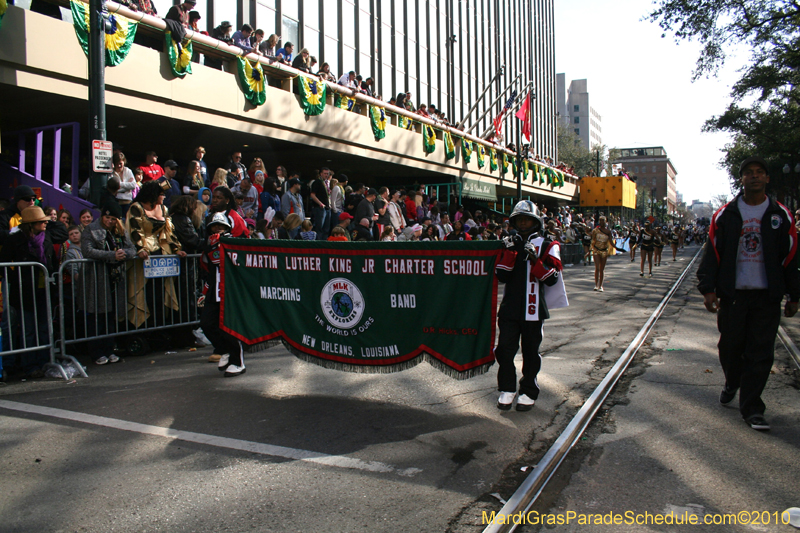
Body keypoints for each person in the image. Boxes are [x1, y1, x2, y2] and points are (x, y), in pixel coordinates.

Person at [697, 156, 799, 431]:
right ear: (741, 179)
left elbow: (790, 258)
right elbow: (712, 253)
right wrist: (708, 289)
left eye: (759, 173)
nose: (754, 176)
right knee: (729, 348)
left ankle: (752, 408)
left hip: (766, 296)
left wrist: (794, 295)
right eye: (749, 173)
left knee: (761, 353)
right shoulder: (725, 214)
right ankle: (732, 381)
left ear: (767, 178)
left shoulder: (781, 216)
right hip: (733, 294)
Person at [494, 200, 568, 411]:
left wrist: (535, 260)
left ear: (536, 222)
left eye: (528, 219)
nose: (524, 223)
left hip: (534, 309)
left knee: (531, 352)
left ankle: (528, 390)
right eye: (520, 220)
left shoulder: (548, 244)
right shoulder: (508, 242)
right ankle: (507, 388)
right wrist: (510, 252)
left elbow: (552, 278)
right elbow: (502, 276)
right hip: (510, 307)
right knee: (504, 351)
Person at [0, 206, 61, 378]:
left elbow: (61, 233)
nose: (45, 224)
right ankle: (30, 365)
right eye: (41, 221)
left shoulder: (47, 237)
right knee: (28, 330)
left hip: (44, 289)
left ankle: (44, 361)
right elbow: (3, 261)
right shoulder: (15, 240)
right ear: (31, 224)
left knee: (44, 328)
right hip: (24, 291)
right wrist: (16, 278)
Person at [80, 200, 136, 365]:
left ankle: (109, 349)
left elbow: (132, 249)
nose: (110, 221)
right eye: (108, 218)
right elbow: (88, 250)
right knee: (97, 316)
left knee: (110, 315)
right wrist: (112, 255)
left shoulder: (120, 230)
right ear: (102, 215)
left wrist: (123, 253)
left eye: (113, 219)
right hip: (96, 279)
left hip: (115, 279)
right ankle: (97, 352)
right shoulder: (91, 229)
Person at [125, 181, 187, 328]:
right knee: (144, 291)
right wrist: (140, 248)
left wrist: (176, 249)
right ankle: (143, 325)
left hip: (160, 253)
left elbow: (168, 231)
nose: (164, 196)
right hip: (143, 255)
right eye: (161, 194)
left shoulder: (164, 209)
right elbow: (134, 230)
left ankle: (160, 324)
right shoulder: (136, 208)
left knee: (159, 292)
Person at [199, 213, 247, 377]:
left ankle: (238, 362)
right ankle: (224, 350)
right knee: (206, 323)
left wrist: (220, 245)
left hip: (230, 292)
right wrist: (205, 291)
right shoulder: (208, 246)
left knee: (229, 328)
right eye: (214, 226)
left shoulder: (235, 243)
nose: (218, 228)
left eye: (221, 226)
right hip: (214, 292)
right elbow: (208, 269)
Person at [112, 151, 137, 216]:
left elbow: (133, 185)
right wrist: (127, 187)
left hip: (127, 202)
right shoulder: (111, 172)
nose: (119, 165)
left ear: (124, 161)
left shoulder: (128, 171)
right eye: (117, 163)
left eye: (120, 163)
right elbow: (112, 188)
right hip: (116, 201)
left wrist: (119, 184)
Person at [591, 216, 612, 292]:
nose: (601, 222)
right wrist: (590, 250)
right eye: (600, 221)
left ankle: (601, 285)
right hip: (596, 250)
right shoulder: (595, 231)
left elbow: (611, 242)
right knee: (597, 268)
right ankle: (596, 285)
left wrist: (612, 250)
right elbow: (593, 241)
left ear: (605, 222)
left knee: (602, 269)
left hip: (604, 251)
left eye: (603, 220)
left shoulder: (608, 232)